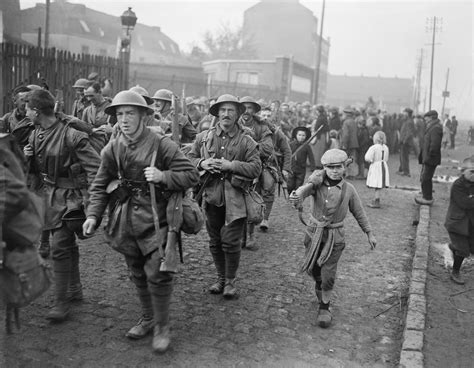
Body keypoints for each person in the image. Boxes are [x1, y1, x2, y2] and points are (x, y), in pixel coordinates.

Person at [83, 90, 199, 353]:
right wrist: (93, 215)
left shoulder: (162, 144)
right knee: (136, 270)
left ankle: (161, 326)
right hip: (126, 219)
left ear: (144, 116)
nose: (124, 120)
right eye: (120, 114)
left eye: (130, 113)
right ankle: (147, 317)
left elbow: (191, 175)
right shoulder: (113, 147)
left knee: (157, 274)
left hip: (158, 218)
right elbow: (100, 184)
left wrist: (163, 176)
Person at [23, 89, 101, 322]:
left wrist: (92, 203)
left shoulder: (72, 136)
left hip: (72, 199)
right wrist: (28, 157)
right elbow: (39, 171)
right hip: (51, 196)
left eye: (28, 109)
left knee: (59, 246)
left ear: (36, 112)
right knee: (66, 244)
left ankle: (61, 304)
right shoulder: (35, 134)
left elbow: (97, 170)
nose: (25, 113)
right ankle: (74, 288)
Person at [289, 149, 376, 328]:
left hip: (335, 238)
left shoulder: (349, 190)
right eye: (331, 167)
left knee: (328, 273)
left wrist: (369, 233)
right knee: (314, 270)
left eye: (339, 167)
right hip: (313, 235)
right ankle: (319, 283)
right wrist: (296, 196)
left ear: (345, 168)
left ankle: (324, 307)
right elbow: (302, 193)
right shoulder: (315, 185)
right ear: (324, 168)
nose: (335, 170)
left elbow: (359, 212)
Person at [187, 94, 261, 298]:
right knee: (215, 241)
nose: (226, 114)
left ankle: (230, 281)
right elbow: (189, 158)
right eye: (222, 110)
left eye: (230, 110)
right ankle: (220, 278)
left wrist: (231, 165)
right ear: (217, 113)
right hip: (211, 197)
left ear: (237, 114)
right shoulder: (204, 137)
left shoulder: (246, 141)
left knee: (230, 241)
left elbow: (256, 168)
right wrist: (202, 163)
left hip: (236, 199)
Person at [238, 96, 273, 248]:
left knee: (250, 202)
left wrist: (250, 142)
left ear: (254, 111)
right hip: (233, 167)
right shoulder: (233, 123)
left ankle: (251, 236)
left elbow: (267, 148)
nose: (246, 111)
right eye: (243, 107)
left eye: (250, 108)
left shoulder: (262, 127)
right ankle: (236, 235)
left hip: (253, 168)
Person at [444, 156, 474, 284]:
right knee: (463, 250)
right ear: (463, 171)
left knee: (472, 249)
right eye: (471, 172)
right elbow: (465, 203)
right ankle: (455, 272)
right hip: (456, 223)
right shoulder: (458, 185)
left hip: (470, 223)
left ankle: (453, 247)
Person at [415, 110, 443, 205]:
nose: (425, 120)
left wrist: (430, 155)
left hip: (431, 158)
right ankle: (425, 195)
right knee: (425, 177)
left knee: (426, 178)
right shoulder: (432, 127)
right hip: (428, 157)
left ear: (431, 117)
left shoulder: (436, 128)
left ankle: (427, 198)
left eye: (426, 118)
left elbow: (435, 144)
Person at [365, 131, 390, 208]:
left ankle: (376, 200)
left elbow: (367, 157)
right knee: (379, 183)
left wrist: (371, 161)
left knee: (376, 183)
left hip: (376, 166)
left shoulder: (374, 147)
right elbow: (386, 158)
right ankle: (376, 198)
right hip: (383, 165)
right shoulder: (386, 147)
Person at [287, 126, 316, 194]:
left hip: (301, 169)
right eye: (299, 135)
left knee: (299, 184)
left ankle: (296, 197)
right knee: (290, 184)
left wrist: (313, 167)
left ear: (306, 136)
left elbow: (311, 157)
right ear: (296, 135)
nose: (301, 137)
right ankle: (290, 193)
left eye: (303, 135)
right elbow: (286, 154)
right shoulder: (291, 144)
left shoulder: (307, 146)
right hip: (291, 168)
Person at [340, 107, 359, 179]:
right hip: (354, 143)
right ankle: (352, 174)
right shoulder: (353, 121)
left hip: (348, 144)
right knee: (352, 159)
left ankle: (346, 174)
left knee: (345, 159)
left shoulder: (346, 122)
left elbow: (346, 135)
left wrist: (344, 144)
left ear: (347, 114)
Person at [397, 107, 416, 177]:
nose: (403, 114)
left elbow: (409, 133)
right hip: (404, 141)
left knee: (404, 157)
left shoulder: (409, 122)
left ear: (408, 114)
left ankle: (406, 172)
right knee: (403, 157)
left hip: (405, 142)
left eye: (405, 112)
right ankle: (404, 170)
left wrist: (404, 140)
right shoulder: (407, 121)